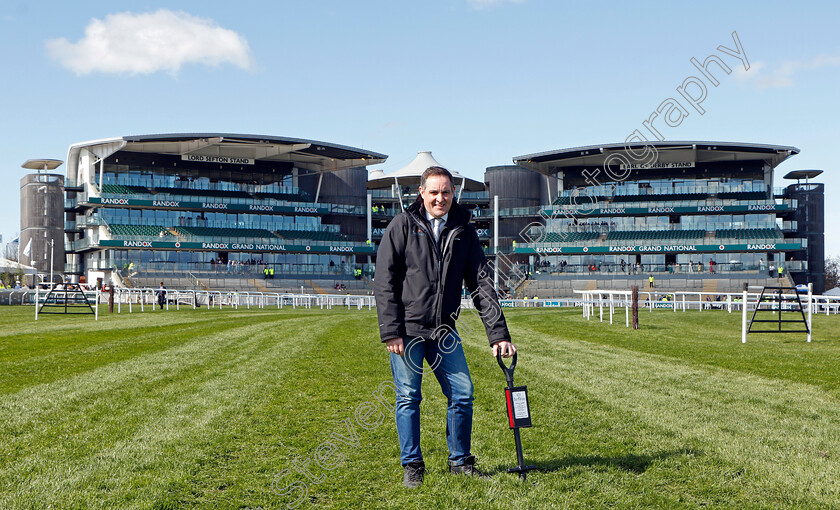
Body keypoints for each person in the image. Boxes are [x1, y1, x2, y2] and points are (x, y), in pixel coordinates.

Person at [375, 166, 515, 489]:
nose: (440, 198)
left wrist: (499, 334)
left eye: (446, 192)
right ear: (421, 193)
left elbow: (481, 284)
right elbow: (385, 281)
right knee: (409, 397)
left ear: (454, 194)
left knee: (463, 393)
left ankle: (459, 461)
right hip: (407, 332)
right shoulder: (402, 226)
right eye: (434, 192)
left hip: (444, 332)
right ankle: (413, 465)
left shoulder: (464, 230)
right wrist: (391, 329)